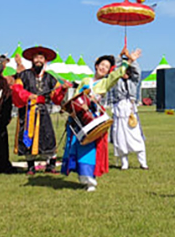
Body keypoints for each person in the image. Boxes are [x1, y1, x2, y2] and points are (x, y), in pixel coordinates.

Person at [61, 50, 133, 191]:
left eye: (106, 67)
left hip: (92, 120)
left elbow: (116, 74)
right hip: (78, 119)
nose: (103, 68)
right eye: (101, 65)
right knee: (76, 146)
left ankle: (90, 180)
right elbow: (76, 97)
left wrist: (128, 61)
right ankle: (82, 177)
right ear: (96, 65)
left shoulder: (105, 83)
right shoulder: (85, 81)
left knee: (88, 148)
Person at [11, 45, 70, 175]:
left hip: (43, 112)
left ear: (45, 61)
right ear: (32, 59)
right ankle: (30, 166)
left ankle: (51, 166)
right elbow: (16, 90)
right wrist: (28, 96)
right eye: (36, 57)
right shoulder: (23, 75)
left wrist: (64, 89)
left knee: (48, 137)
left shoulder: (50, 78)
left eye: (41, 58)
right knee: (28, 138)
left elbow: (56, 97)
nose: (38, 60)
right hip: (27, 112)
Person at [108, 47, 148, 170]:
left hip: (130, 110)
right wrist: (120, 56)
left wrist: (131, 59)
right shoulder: (115, 81)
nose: (125, 73)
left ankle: (143, 162)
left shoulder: (133, 81)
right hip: (118, 110)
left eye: (128, 71)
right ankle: (124, 162)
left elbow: (137, 72)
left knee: (136, 136)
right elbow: (113, 71)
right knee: (120, 137)